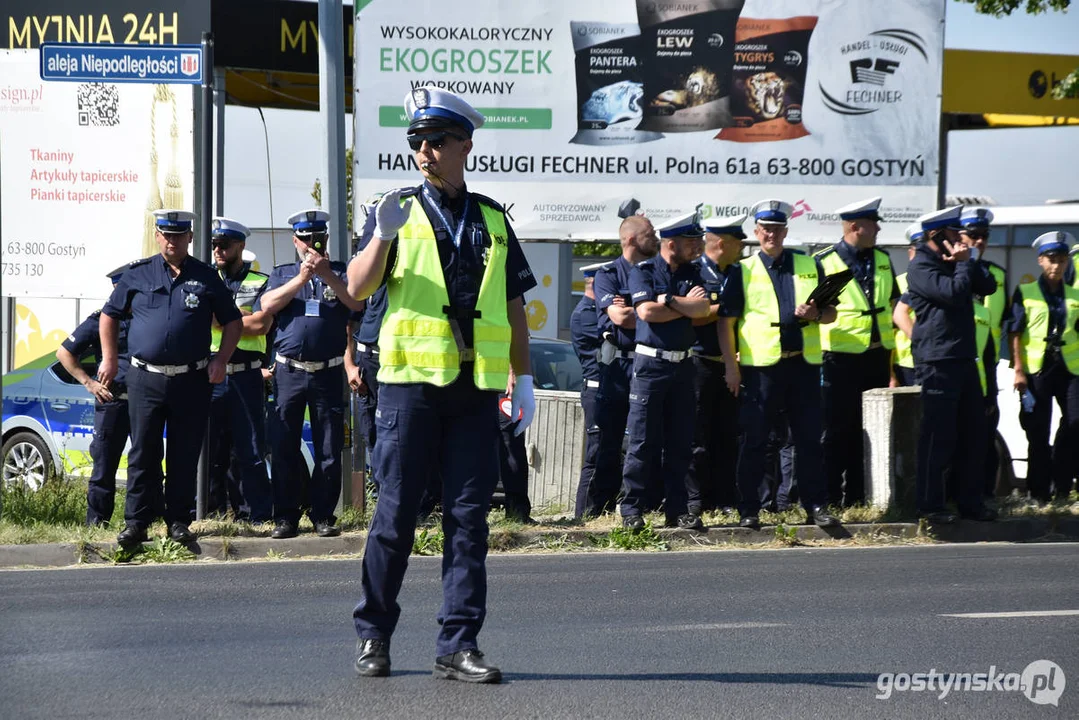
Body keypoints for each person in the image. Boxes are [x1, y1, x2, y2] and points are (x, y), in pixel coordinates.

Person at [346, 87, 537, 683]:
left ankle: (459, 644)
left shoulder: (492, 218)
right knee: (396, 517)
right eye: (415, 143)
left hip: (473, 390)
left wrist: (524, 379)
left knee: (469, 520)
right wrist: (379, 236)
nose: (423, 151)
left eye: (436, 142)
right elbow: (354, 289)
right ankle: (373, 636)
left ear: (465, 146)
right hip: (409, 386)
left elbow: (511, 304)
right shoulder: (396, 210)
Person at [99, 209, 243, 548]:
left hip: (191, 380)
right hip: (145, 378)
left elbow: (233, 323)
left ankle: (179, 520)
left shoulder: (207, 277)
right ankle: (137, 522)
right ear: (157, 235)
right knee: (143, 452)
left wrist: (221, 359)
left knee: (184, 452)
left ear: (189, 237)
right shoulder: (137, 273)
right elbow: (109, 315)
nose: (172, 241)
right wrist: (108, 358)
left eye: (179, 235)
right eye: (166, 234)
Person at [717, 199, 841, 531]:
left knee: (809, 439)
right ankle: (749, 508)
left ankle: (816, 505)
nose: (771, 234)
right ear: (756, 233)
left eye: (777, 229)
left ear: (786, 231)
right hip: (761, 368)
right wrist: (731, 365)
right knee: (756, 440)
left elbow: (831, 313)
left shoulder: (809, 264)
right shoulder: (742, 270)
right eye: (765, 230)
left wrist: (816, 314)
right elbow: (725, 322)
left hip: (803, 364)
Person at [257, 209, 364, 540]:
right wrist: (302, 279)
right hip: (289, 372)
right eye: (305, 240)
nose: (311, 246)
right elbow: (267, 304)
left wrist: (327, 275)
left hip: (328, 373)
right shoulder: (283, 273)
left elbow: (356, 304)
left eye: (317, 240)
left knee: (330, 448)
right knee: (284, 445)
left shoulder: (343, 273)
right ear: (295, 241)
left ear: (325, 240)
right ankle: (286, 517)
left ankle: (323, 515)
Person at [620, 211, 712, 531]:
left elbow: (702, 309)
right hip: (651, 366)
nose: (699, 246)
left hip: (684, 365)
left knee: (680, 443)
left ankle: (677, 511)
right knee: (643, 442)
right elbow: (646, 312)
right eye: (693, 241)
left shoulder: (694, 272)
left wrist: (669, 300)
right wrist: (683, 304)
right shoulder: (642, 271)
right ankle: (632, 511)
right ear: (671, 244)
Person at [905, 206, 997, 523]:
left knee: (973, 433)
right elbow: (956, 294)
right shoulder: (921, 266)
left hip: (963, 358)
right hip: (937, 360)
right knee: (937, 436)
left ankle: (970, 503)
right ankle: (930, 506)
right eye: (955, 233)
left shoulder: (958, 261)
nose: (962, 238)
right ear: (937, 235)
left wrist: (969, 260)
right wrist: (961, 266)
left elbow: (988, 287)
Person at [816, 197, 899, 507]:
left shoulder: (882, 259)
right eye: (872, 223)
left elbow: (892, 303)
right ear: (854, 226)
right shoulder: (825, 261)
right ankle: (830, 498)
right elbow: (817, 308)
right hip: (839, 357)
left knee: (869, 430)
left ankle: (859, 497)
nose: (877, 228)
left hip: (876, 357)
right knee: (837, 430)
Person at [578, 215, 660, 518]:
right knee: (608, 445)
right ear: (631, 239)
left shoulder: (657, 271)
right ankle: (597, 511)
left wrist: (643, 310)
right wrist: (655, 311)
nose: (656, 237)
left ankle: (645, 505)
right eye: (649, 233)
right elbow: (619, 319)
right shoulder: (608, 274)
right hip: (618, 370)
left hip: (649, 364)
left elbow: (629, 316)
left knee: (646, 440)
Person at [207, 218, 273, 523]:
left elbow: (260, 323)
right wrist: (239, 317)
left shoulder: (260, 281)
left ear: (240, 246)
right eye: (215, 245)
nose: (219, 250)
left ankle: (255, 516)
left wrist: (224, 319)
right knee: (211, 450)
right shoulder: (206, 279)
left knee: (249, 450)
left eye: (225, 245)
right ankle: (211, 513)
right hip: (211, 374)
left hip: (246, 374)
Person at [1005, 231, 1079, 503]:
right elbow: (1014, 332)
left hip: (1069, 368)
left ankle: (1062, 485)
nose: (1057, 265)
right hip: (1037, 370)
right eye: (1051, 259)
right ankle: (1039, 493)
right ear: (1040, 261)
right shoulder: (1026, 292)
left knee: (1074, 422)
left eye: (1061, 260)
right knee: (1037, 431)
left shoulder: (1074, 294)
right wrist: (1019, 370)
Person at [55, 268, 132, 527]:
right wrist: (89, 383)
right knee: (104, 465)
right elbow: (64, 353)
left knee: (147, 465)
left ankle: (142, 521)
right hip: (113, 400)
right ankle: (97, 523)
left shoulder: (148, 317)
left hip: (146, 401)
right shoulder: (101, 319)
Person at [684, 214, 745, 517]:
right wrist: (726, 307)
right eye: (738, 242)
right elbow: (692, 315)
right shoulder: (693, 272)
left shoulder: (737, 273)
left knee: (727, 434)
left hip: (730, 363)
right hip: (699, 363)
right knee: (697, 436)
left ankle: (725, 499)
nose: (743, 247)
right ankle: (695, 500)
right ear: (722, 243)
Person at [959, 207, 1007, 497]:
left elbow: (1003, 322)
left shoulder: (995, 274)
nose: (979, 241)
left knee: (986, 437)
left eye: (984, 237)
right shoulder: (949, 269)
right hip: (956, 362)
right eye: (973, 235)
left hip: (986, 364)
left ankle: (985, 497)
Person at [571, 262, 606, 519]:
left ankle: (599, 510)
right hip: (595, 391)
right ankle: (582, 515)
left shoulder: (596, 310)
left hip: (606, 391)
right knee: (594, 455)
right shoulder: (585, 313)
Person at [891, 224, 923, 388]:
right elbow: (889, 329)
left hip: (930, 360)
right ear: (910, 253)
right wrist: (891, 375)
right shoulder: (898, 282)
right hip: (904, 364)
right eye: (919, 251)